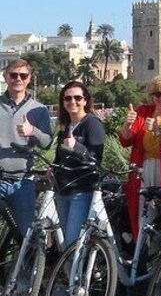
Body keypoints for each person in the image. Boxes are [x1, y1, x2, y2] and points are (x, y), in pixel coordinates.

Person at [119, 75, 161, 242]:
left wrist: (157, 130)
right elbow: (126, 140)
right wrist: (127, 123)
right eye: (157, 94)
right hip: (144, 172)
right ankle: (143, 259)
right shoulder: (143, 111)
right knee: (144, 218)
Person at [0, 60, 52, 237]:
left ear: (29, 79)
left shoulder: (39, 110)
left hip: (23, 182)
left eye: (23, 75)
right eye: (13, 75)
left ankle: (24, 265)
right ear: (5, 77)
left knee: (26, 237)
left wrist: (33, 131)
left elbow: (47, 143)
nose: (18, 79)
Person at [54, 81, 105, 249]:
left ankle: (76, 275)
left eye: (77, 97)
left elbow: (96, 158)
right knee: (63, 244)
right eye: (67, 98)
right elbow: (58, 159)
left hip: (82, 191)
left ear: (85, 100)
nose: (72, 102)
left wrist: (76, 147)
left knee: (72, 242)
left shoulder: (92, 123)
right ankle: (70, 274)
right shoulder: (65, 127)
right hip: (62, 190)